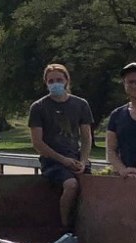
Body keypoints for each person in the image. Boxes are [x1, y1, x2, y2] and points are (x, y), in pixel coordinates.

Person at [28, 63, 96, 230]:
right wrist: (63, 160)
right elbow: (38, 143)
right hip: (53, 161)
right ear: (46, 83)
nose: (55, 83)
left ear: (66, 80)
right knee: (71, 184)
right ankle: (66, 226)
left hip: (76, 157)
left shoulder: (81, 104)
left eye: (59, 79)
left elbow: (86, 137)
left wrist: (83, 160)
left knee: (93, 186)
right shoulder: (38, 107)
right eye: (51, 81)